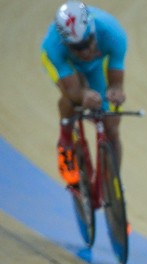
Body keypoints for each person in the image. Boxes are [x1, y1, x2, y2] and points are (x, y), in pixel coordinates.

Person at [40, 2, 127, 186]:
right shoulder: (53, 46)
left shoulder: (113, 34)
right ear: (67, 44)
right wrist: (82, 96)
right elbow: (73, 91)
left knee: (111, 125)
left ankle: (113, 187)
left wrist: (115, 91)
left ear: (93, 32)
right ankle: (65, 142)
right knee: (73, 100)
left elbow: (116, 82)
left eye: (87, 43)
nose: (85, 51)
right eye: (78, 47)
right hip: (66, 64)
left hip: (96, 65)